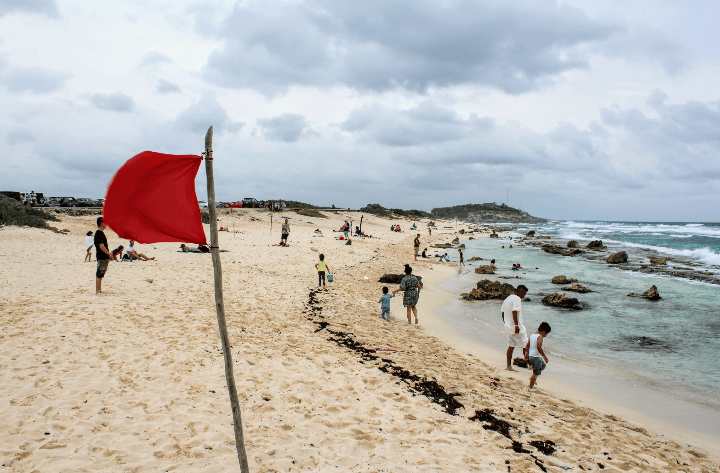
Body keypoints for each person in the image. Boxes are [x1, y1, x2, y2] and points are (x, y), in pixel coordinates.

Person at [501, 285, 528, 371]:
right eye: (524, 294)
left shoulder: (507, 299)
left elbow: (502, 312)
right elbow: (514, 311)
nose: (524, 296)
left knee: (511, 346)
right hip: (516, 327)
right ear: (520, 292)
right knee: (526, 345)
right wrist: (516, 325)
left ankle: (508, 366)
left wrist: (506, 323)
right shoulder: (517, 298)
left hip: (508, 327)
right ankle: (531, 366)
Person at [524, 322, 551, 389]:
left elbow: (527, 345)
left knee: (543, 366)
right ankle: (531, 386)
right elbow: (539, 347)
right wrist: (544, 356)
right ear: (543, 332)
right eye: (546, 334)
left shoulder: (532, 335)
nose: (546, 336)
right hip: (535, 357)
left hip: (532, 355)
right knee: (536, 373)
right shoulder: (540, 337)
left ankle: (532, 377)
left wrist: (526, 354)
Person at [94, 217, 112, 294]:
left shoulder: (100, 233)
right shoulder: (98, 233)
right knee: (99, 273)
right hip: (102, 256)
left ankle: (99, 289)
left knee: (101, 273)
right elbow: (101, 246)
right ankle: (98, 290)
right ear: (101, 223)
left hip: (103, 256)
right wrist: (109, 254)